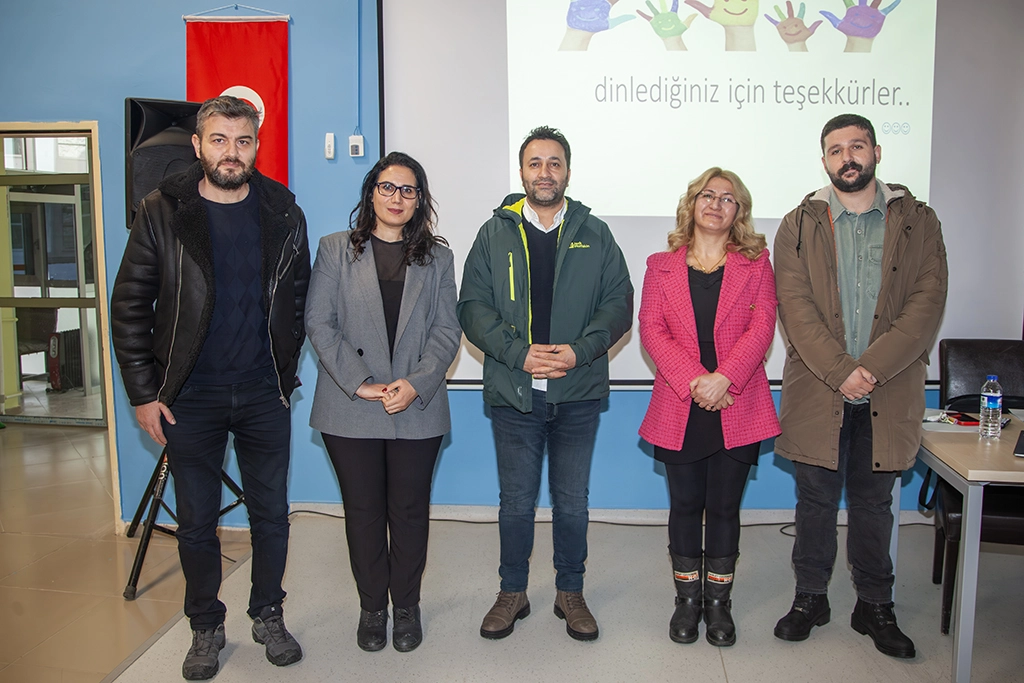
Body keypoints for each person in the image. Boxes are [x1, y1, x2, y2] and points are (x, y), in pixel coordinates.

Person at [110, 95, 309, 680]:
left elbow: (297, 300)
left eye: (243, 141)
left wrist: (284, 369)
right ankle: (205, 625)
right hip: (188, 398)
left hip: (263, 393)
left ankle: (268, 613)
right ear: (197, 145)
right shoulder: (162, 210)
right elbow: (130, 306)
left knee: (272, 515)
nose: (231, 153)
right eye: (219, 140)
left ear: (256, 146)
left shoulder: (282, 210)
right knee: (197, 522)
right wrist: (144, 394)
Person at [772, 113, 947, 658]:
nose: (847, 157)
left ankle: (874, 605)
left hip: (888, 390)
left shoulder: (919, 221)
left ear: (876, 152)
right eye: (835, 149)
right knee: (814, 502)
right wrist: (841, 371)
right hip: (817, 388)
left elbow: (927, 301)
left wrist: (869, 369)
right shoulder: (798, 224)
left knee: (874, 504)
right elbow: (795, 307)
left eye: (857, 146)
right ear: (824, 160)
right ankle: (810, 598)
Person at [458, 126, 633, 642]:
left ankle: (569, 592)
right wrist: (519, 354)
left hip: (577, 391)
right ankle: (512, 592)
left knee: (572, 502)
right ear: (522, 172)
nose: (545, 172)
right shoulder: (494, 233)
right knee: (515, 502)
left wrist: (581, 350)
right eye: (535, 163)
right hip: (515, 392)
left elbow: (619, 302)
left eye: (554, 163)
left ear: (568, 172)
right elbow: (472, 306)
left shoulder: (595, 233)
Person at [304, 152, 460, 653]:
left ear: (420, 200)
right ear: (371, 192)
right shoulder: (334, 249)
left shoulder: (438, 259)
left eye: (408, 190)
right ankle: (372, 607)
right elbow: (319, 323)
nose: (397, 198)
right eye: (388, 187)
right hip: (350, 406)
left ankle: (406, 606)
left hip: (417, 404)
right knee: (364, 511)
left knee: (410, 512)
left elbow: (447, 329)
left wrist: (416, 382)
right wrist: (360, 383)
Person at [638, 168, 780, 647]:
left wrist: (724, 379)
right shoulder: (660, 266)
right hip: (682, 401)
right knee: (684, 506)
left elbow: (762, 328)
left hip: (737, 399)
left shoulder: (756, 265)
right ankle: (687, 601)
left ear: (739, 211)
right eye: (707, 194)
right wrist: (697, 382)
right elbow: (652, 329)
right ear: (692, 203)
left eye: (727, 198)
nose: (716, 203)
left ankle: (718, 604)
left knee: (723, 508)